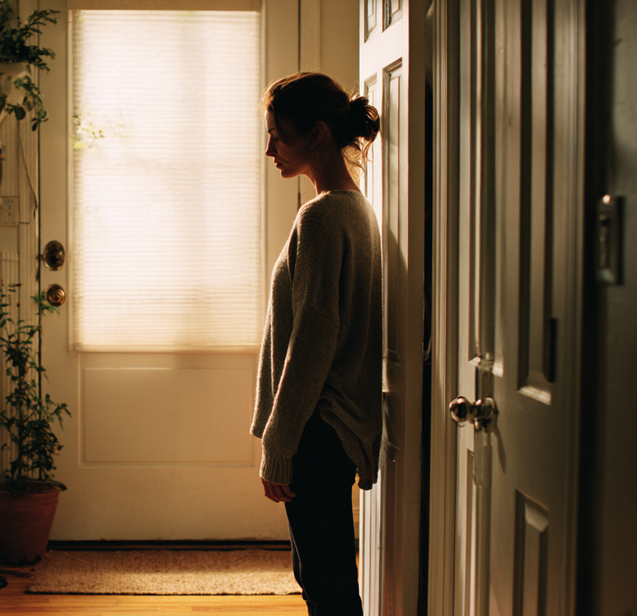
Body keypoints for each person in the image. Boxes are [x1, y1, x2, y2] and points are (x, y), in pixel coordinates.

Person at [250, 72, 382, 616]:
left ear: (318, 134)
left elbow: (312, 340)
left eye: (277, 135)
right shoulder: (354, 208)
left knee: (325, 582)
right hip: (327, 428)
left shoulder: (324, 216)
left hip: (317, 431)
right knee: (323, 573)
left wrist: (279, 445)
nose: (269, 148)